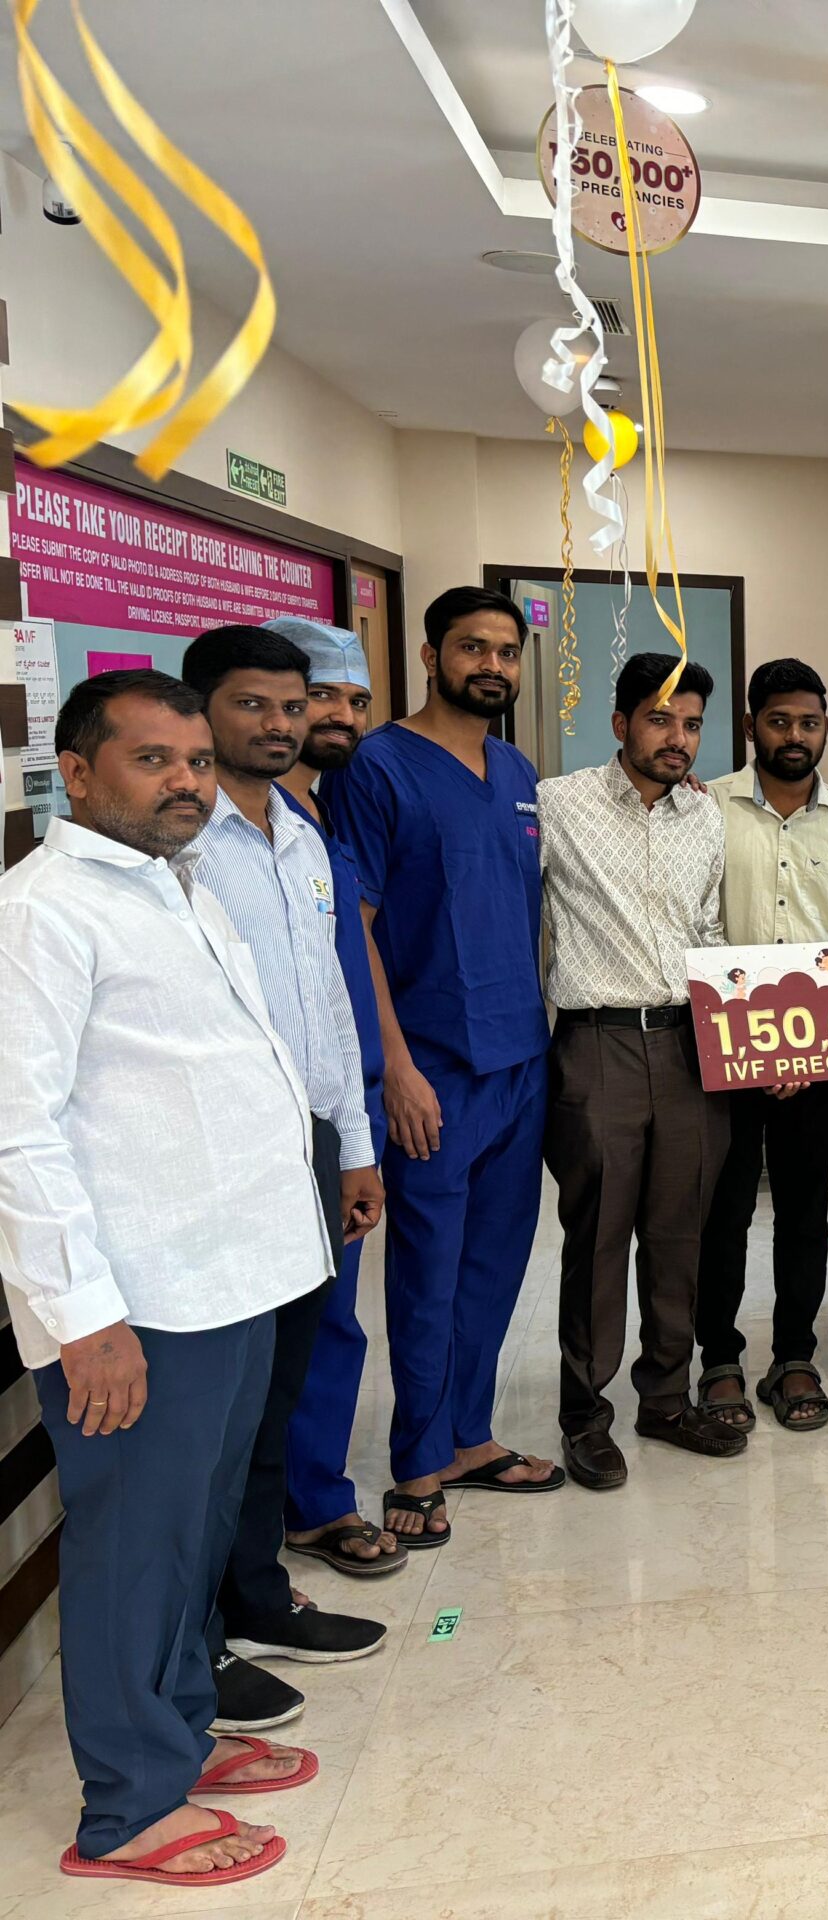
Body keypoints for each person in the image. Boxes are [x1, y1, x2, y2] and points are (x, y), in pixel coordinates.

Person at [0, 672, 330, 1888]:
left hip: (231, 1274)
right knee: (134, 1542)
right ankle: (129, 1806)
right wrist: (84, 1317)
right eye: (153, 760)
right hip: (139, 1300)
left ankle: (181, 1726)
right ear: (77, 773)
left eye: (194, 760)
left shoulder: (173, 883)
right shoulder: (42, 914)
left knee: (193, 1531)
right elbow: (16, 1132)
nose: (186, 781)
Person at [177, 628, 389, 1734]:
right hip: (221, 1154)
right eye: (251, 704)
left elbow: (328, 1003)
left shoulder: (301, 834)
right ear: (200, 713)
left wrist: (352, 1143)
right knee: (213, 1415)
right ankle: (195, 1641)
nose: (278, 723)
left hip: (307, 1143)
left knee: (276, 1394)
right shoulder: (179, 844)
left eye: (292, 705)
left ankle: (258, 1596)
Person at [331, 586, 562, 1550]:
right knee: (427, 1272)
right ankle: (418, 1462)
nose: (492, 666)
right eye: (472, 648)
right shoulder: (378, 767)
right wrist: (395, 1066)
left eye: (506, 651)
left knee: (496, 1266)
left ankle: (470, 1437)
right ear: (430, 657)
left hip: (520, 1058)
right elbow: (356, 927)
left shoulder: (516, 770)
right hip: (433, 1067)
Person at [540, 652, 739, 1487]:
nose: (678, 739)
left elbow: (710, 930)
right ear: (620, 723)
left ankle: (664, 1397)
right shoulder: (557, 804)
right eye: (660, 720)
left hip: (691, 1044)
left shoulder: (706, 817)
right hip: (600, 1043)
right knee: (598, 1237)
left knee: (678, 1232)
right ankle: (586, 1414)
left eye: (691, 724)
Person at [698, 658, 828, 1435]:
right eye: (779, 722)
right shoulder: (705, 807)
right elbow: (693, 923)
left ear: (826, 728)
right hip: (723, 1049)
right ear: (752, 727)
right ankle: (719, 1360)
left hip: (818, 1054)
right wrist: (754, 1040)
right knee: (724, 1210)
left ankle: (794, 1357)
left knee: (807, 1210)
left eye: (809, 723)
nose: (795, 736)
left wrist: (802, 1050)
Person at [263, 615, 405, 1580]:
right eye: (319, 696)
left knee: (333, 1318)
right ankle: (295, 1510)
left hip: (339, 1110)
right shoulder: (234, 825)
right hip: (277, 1118)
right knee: (285, 1326)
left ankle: (313, 1499)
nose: (338, 715)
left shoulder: (313, 817)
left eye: (356, 699)